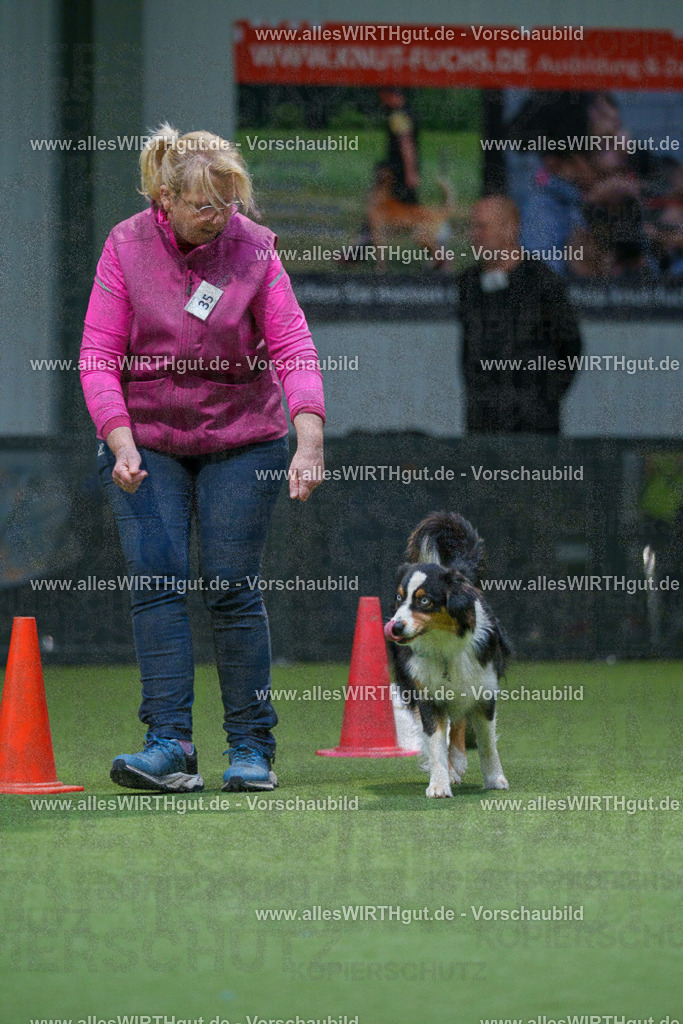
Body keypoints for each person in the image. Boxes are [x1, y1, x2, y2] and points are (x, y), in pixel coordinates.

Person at [80, 124, 325, 793]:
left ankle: (250, 746)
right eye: (201, 206)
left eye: (226, 203)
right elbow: (99, 355)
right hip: (147, 438)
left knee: (230, 586)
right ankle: (169, 744)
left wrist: (308, 438)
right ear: (165, 197)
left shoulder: (254, 249)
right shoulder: (126, 245)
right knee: (156, 585)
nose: (217, 217)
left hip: (242, 438)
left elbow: (293, 345)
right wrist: (119, 437)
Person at [457, 196, 582, 433]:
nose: (475, 235)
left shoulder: (543, 283)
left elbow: (571, 346)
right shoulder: (468, 284)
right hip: (483, 425)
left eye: (483, 226)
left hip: (533, 427)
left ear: (510, 228)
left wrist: (544, 397)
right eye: (473, 227)